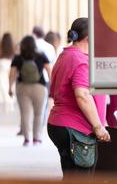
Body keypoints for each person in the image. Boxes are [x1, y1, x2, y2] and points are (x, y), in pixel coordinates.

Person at [47, 18, 111, 175]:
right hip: (76, 128)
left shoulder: (65, 56)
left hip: (60, 124)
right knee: (82, 181)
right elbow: (82, 95)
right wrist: (98, 127)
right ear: (89, 38)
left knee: (72, 178)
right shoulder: (80, 60)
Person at [9, 36, 52, 146]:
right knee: (39, 114)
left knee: (25, 113)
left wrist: (10, 87)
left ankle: (27, 139)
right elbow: (49, 69)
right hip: (40, 87)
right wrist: (52, 85)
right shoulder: (41, 55)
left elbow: (12, 73)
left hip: (22, 87)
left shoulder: (18, 57)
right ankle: (36, 138)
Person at [0, 33, 15, 113]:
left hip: (2, 64)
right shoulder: (13, 47)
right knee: (10, 83)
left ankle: (6, 100)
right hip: (10, 64)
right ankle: (11, 101)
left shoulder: (1, 46)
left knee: (3, 84)